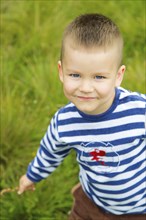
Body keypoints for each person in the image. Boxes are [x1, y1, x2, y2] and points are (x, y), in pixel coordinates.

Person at [18, 13, 146, 219]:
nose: (86, 88)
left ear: (118, 76)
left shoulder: (139, 111)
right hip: (91, 202)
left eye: (99, 77)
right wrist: (32, 175)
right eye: (75, 75)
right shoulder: (64, 123)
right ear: (61, 71)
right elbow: (50, 152)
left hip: (139, 207)